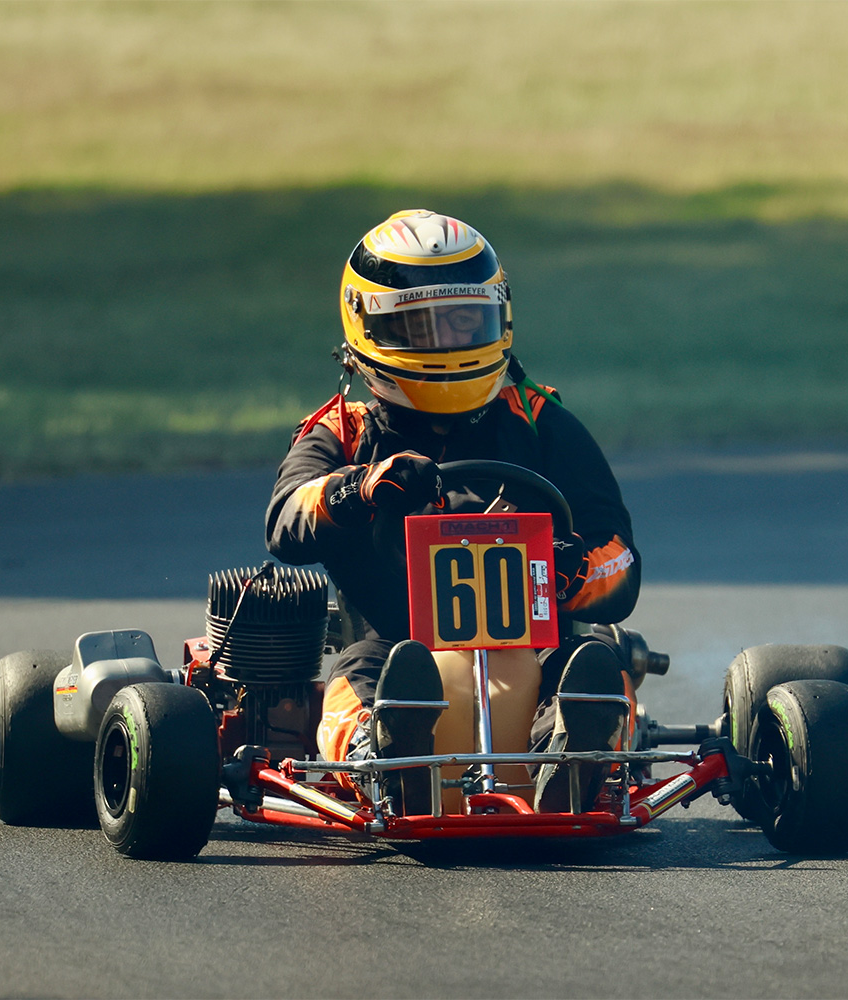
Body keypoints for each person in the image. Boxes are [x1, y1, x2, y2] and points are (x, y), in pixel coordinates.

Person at [265, 209, 641, 814]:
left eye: (466, 322)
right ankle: (385, 755)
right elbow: (285, 518)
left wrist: (570, 577)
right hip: (393, 649)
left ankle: (567, 757)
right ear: (371, 329)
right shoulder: (346, 431)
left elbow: (618, 559)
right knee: (361, 671)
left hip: (534, 649)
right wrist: (360, 488)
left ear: (500, 317)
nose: (449, 344)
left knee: (590, 661)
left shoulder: (540, 424)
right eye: (423, 327)